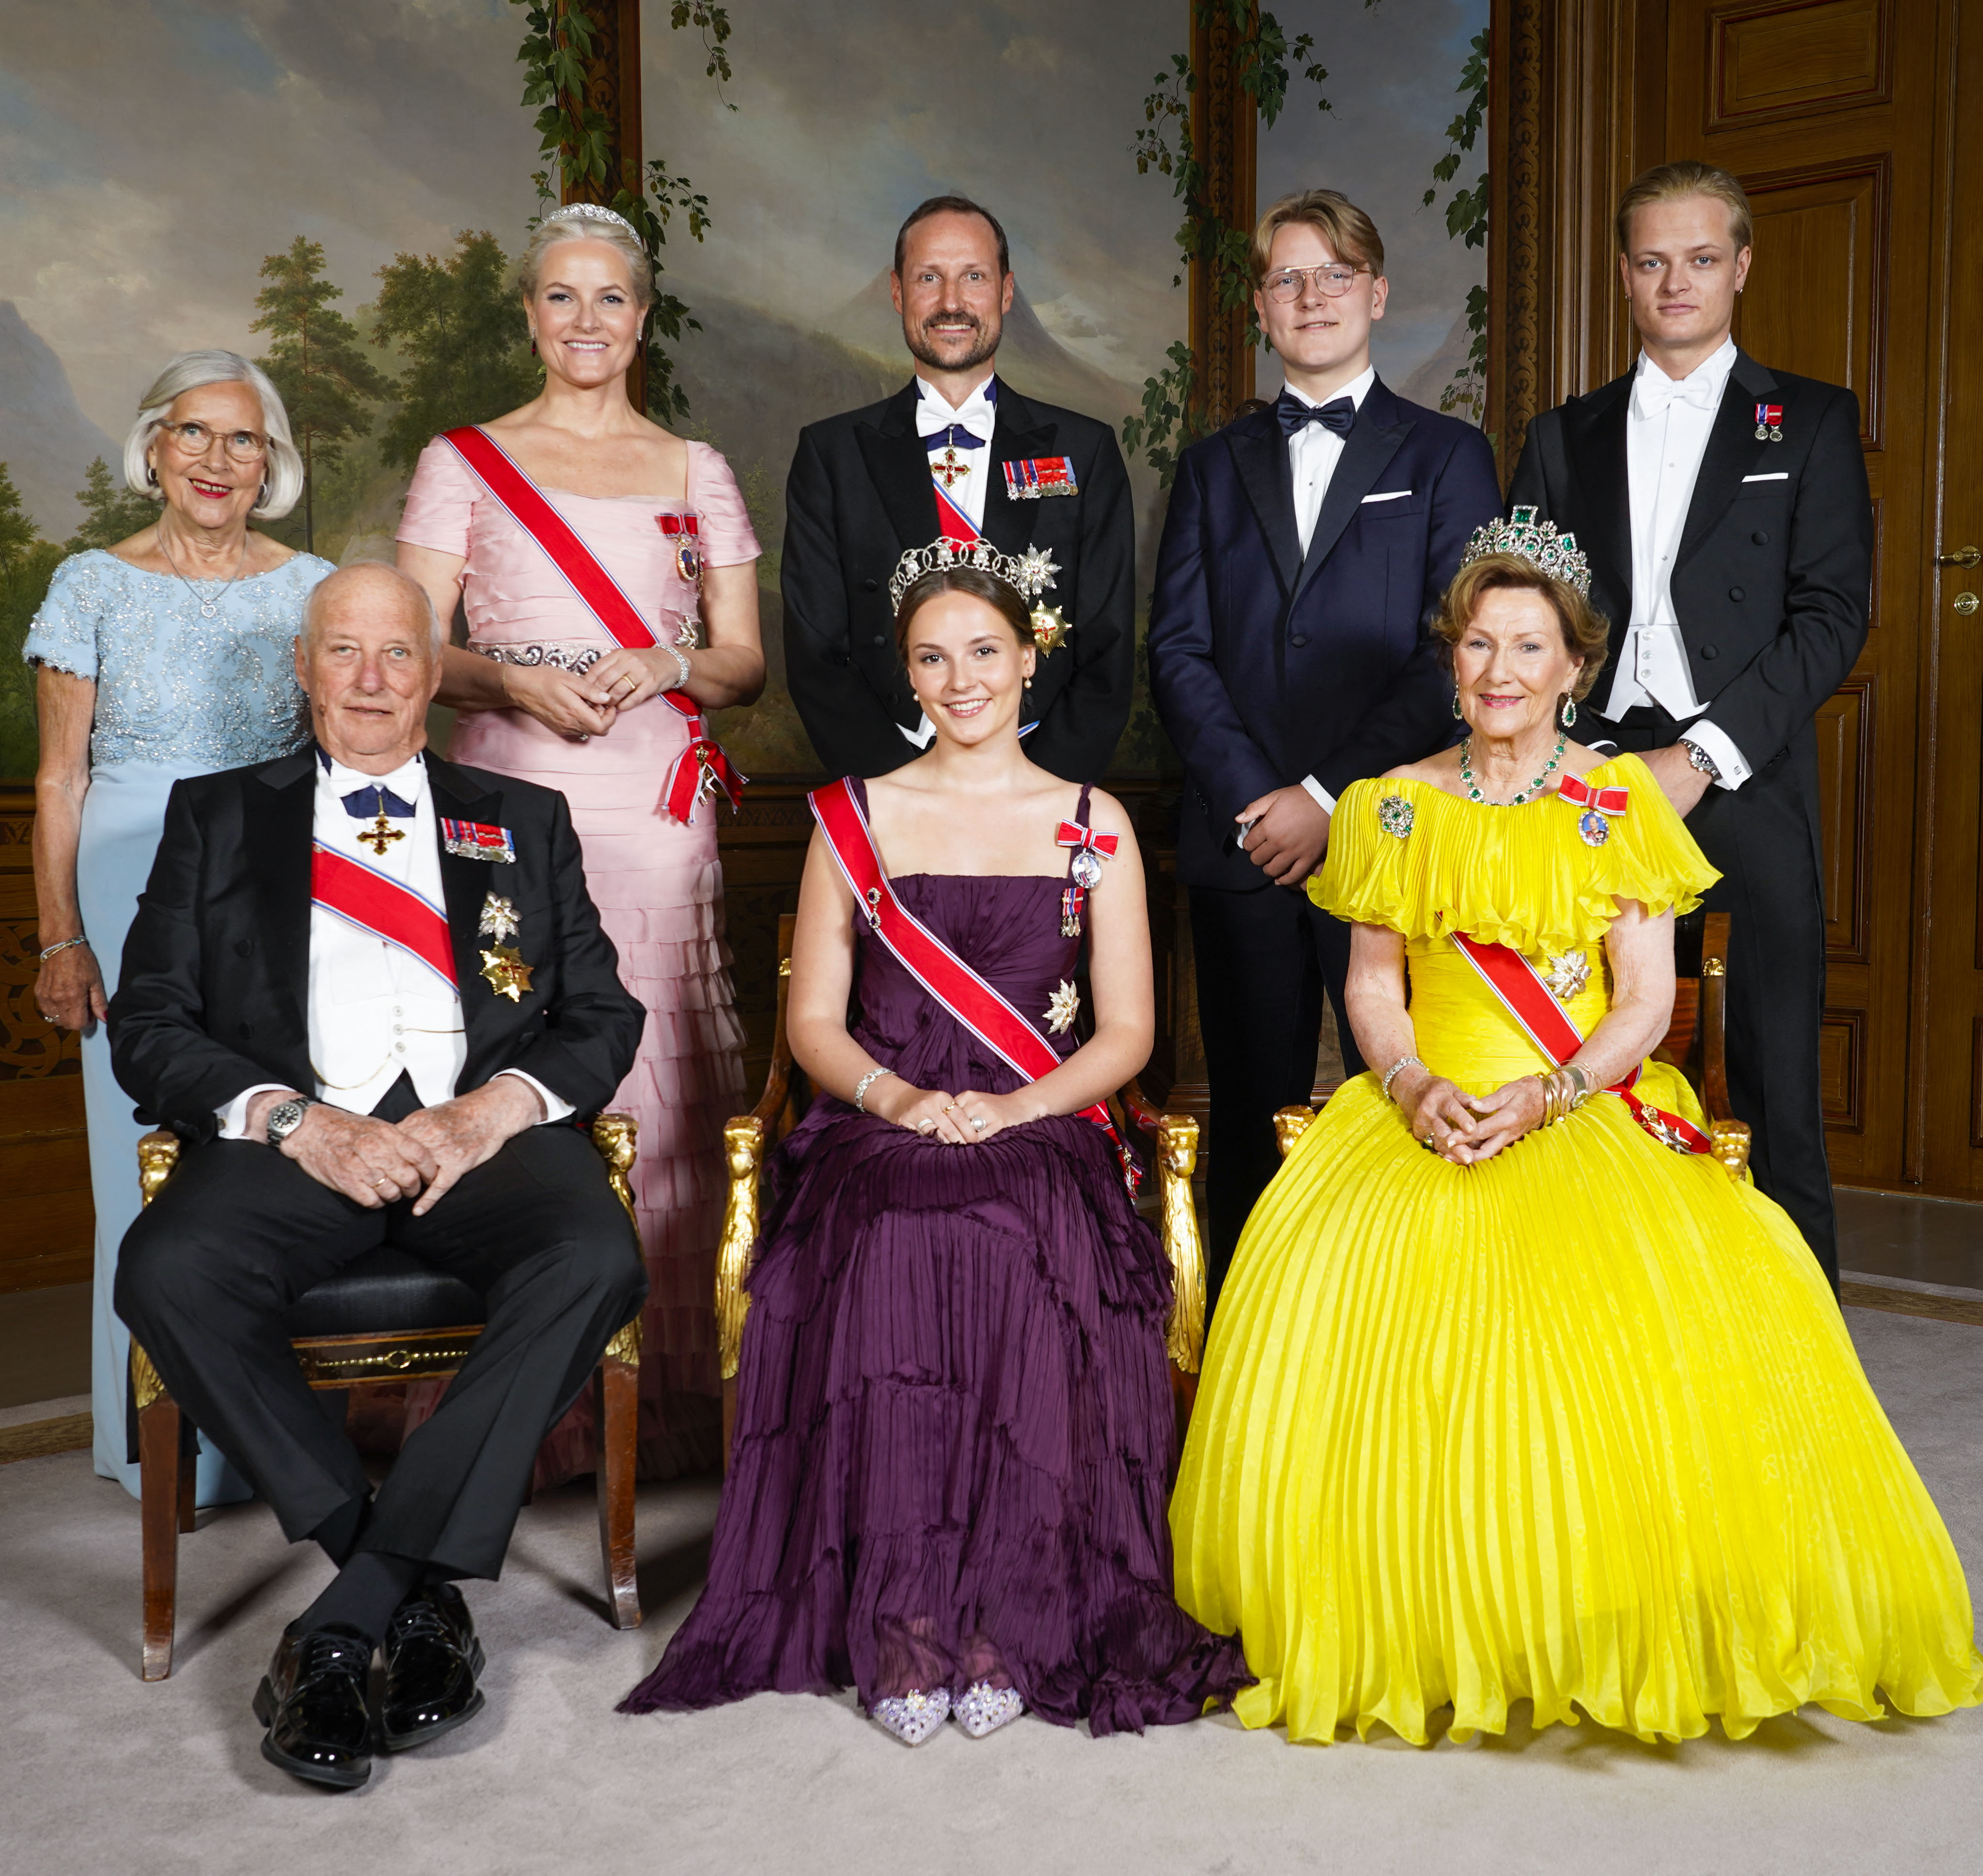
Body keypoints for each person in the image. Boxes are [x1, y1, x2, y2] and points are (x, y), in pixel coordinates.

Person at [1170, 521, 1983, 1747]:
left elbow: (1647, 1002)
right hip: (1425, 1108)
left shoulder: (1617, 802)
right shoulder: (1391, 806)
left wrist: (1550, 1094)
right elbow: (1372, 987)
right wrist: (1410, 1084)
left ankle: (1591, 1606)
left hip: (1578, 1101)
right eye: (1476, 645)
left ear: (1574, 666)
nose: (1498, 670)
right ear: (1450, 661)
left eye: (1527, 646)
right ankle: (1429, 1606)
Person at [620, 545, 1249, 1744]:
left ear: (1029, 658)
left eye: (983, 651)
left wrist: (1018, 1109)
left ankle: (1005, 1615)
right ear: (906, 675)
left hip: (1044, 1121)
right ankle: (907, 1619)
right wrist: (901, 1098)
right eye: (931, 657)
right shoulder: (851, 817)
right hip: (881, 1123)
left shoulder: (1095, 822)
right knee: (900, 1226)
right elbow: (812, 1023)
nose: (961, 679)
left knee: (1011, 1229)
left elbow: (1127, 1031)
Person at [110, 563, 647, 1790]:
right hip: (304, 1139)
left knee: (595, 1254)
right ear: (302, 667)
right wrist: (294, 1121)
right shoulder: (216, 815)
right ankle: (402, 1587)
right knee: (168, 1267)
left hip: (481, 1139)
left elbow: (600, 1015)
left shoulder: (522, 816)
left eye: (397, 652)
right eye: (342, 651)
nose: (369, 678)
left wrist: (491, 1113)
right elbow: (148, 1022)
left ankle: (348, 1611)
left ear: (434, 672)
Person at [394, 203, 764, 1482]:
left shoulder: (697, 467)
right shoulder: (463, 461)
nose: (587, 319)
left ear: (643, 317)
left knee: (661, 1063)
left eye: (611, 297)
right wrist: (509, 679)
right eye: (562, 295)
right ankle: (522, 1401)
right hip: (510, 788)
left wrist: (666, 660)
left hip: (655, 799)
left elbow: (744, 662)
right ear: (530, 313)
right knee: (514, 1042)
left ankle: (667, 1394)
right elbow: (409, 649)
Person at [1506, 159, 1867, 1285]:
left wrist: (1702, 754)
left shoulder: (1807, 421)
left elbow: (1831, 615)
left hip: (1741, 772)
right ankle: (1598, 1320)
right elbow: (1518, 614)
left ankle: (1800, 1349)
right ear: (1623, 274)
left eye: (1700, 259)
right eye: (1653, 261)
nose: (1676, 282)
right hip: (1585, 774)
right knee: (1569, 1061)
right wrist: (1560, 755)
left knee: (1770, 1084)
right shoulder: (1561, 436)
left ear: (1740, 267)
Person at [1146, 189, 1503, 1301]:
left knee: (1405, 1107)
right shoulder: (1210, 466)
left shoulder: (1448, 455)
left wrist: (1323, 793)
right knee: (1249, 1120)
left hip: (1388, 833)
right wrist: (1261, 798)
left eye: (1334, 275)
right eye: (1286, 279)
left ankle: (1396, 1343)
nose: (1311, 297)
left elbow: (1456, 652)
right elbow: (1176, 650)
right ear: (1259, 306)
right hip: (1243, 842)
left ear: (1376, 293)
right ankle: (1247, 1353)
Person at [25, 348, 333, 1503]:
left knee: (268, 1146)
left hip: (269, 887)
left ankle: (270, 1443)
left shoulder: (314, 586)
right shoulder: (90, 586)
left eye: (242, 437)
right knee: (140, 1158)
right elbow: (59, 780)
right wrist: (60, 937)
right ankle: (155, 1447)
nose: (216, 457)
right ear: (153, 447)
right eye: (192, 432)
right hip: (121, 885)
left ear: (271, 462)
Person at [783, 194, 1136, 784]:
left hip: (1041, 786)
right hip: (890, 785)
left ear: (1006, 292)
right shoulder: (831, 455)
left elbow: (1108, 649)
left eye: (974, 276)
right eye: (929, 277)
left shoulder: (1085, 451)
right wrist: (903, 792)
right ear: (897, 292)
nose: (951, 302)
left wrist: (1037, 791)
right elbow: (816, 656)